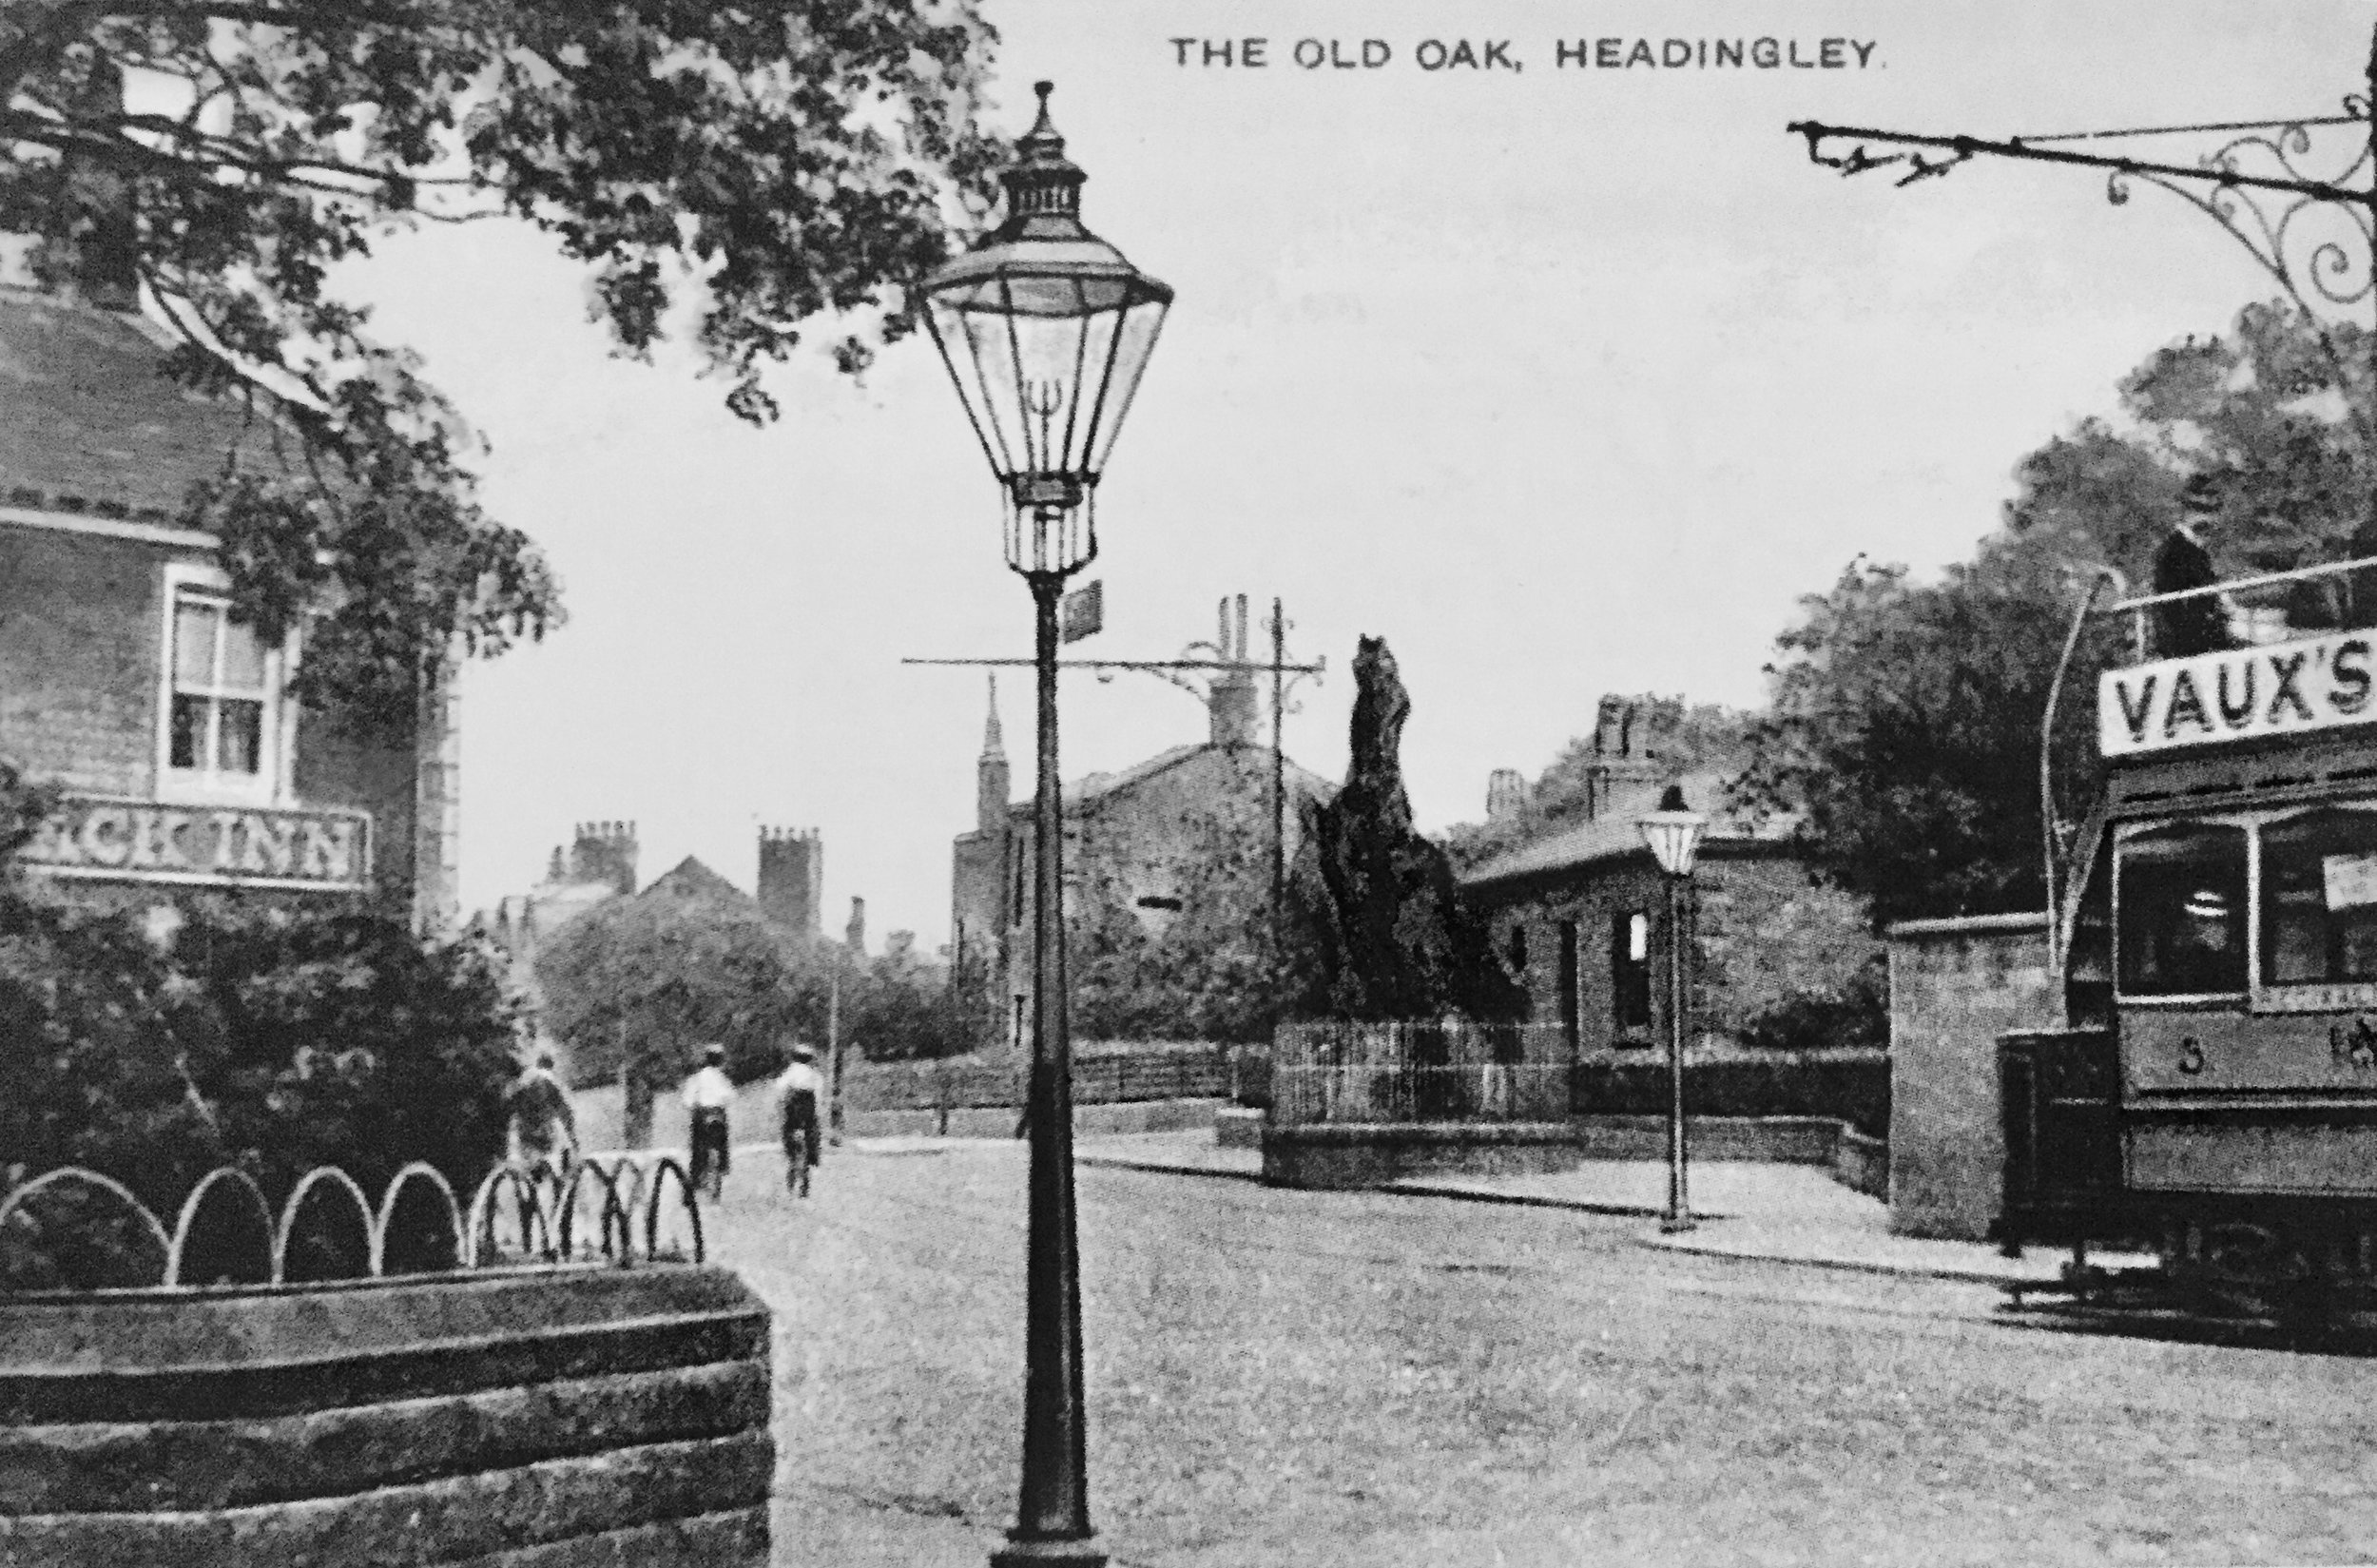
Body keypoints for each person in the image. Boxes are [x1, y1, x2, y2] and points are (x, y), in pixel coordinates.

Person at [504, 1049, 577, 1169]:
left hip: (532, 1129)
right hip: (538, 1128)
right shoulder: (543, 1079)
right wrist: (572, 1137)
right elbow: (562, 1108)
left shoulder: (519, 1084)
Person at [682, 1043, 736, 1198]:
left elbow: (687, 1101)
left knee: (697, 1149)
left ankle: (694, 1184)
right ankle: (720, 1173)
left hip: (702, 1115)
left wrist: (694, 1107)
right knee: (721, 1146)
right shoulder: (722, 1078)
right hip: (718, 1115)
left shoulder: (697, 1078)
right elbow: (730, 1096)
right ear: (721, 1061)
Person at [773, 1043, 825, 1196]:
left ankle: (791, 1176)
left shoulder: (791, 1071)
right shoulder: (815, 1075)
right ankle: (808, 1175)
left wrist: (781, 1105)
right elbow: (819, 1097)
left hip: (793, 1113)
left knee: (790, 1141)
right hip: (808, 1113)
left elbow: (780, 1089)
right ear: (809, 1059)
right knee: (811, 1142)